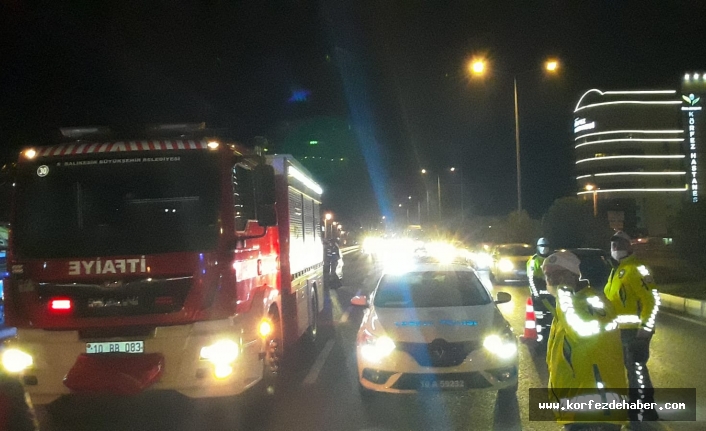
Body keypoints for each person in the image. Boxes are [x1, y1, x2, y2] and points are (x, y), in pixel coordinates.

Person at [543, 251, 627, 430]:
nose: (552, 280)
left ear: (573, 274)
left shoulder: (593, 302)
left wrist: (563, 295)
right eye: (548, 275)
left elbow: (581, 331)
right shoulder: (569, 305)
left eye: (558, 274)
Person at [603, 231, 660, 422]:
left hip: (635, 332)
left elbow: (652, 301)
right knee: (631, 371)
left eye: (620, 244)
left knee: (637, 371)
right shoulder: (616, 271)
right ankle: (635, 407)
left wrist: (644, 332)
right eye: (613, 245)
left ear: (630, 246)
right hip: (619, 332)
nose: (616, 248)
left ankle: (645, 409)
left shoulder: (637, 269)